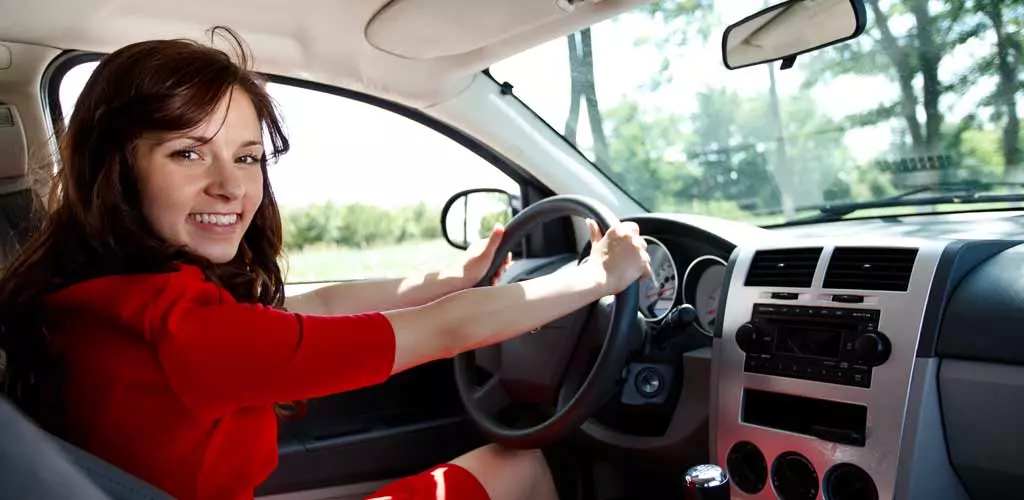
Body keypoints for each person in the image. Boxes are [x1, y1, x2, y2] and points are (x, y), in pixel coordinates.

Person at [0, 27, 651, 500]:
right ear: (115, 167)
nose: (232, 187)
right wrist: (598, 276)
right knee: (522, 468)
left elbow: (319, 306)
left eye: (249, 156)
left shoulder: (106, 297)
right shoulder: (187, 332)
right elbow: (449, 330)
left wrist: (452, 277)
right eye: (188, 154)